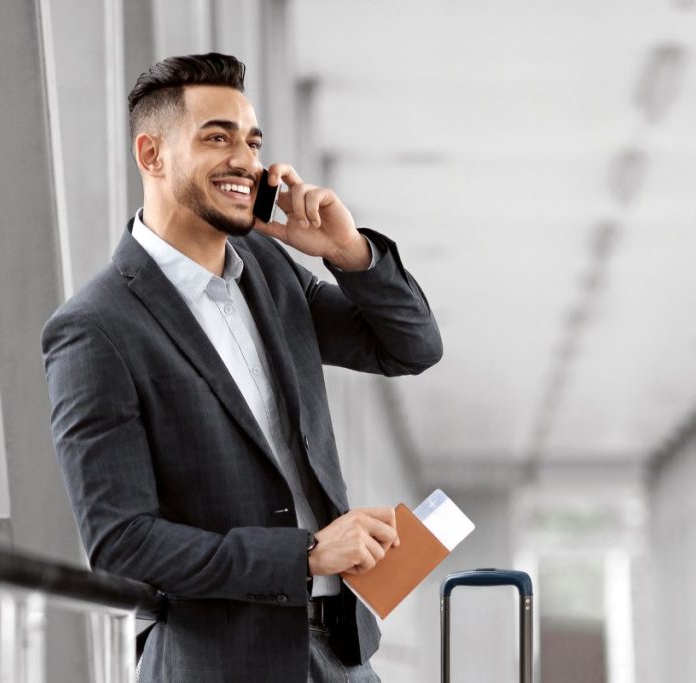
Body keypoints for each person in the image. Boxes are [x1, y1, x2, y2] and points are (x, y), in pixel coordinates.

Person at [41, 53, 442, 682]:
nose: (244, 160)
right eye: (216, 137)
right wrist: (306, 554)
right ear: (152, 155)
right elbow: (122, 542)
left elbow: (411, 346)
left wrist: (349, 252)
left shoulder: (271, 272)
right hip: (221, 665)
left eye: (251, 141)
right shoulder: (95, 328)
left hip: (340, 655)